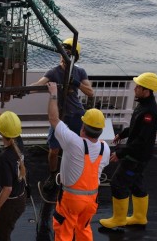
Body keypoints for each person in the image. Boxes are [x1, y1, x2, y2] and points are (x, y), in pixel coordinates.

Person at [47, 82, 110, 241]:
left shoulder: (73, 142)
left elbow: (54, 119)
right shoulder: (105, 148)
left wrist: (53, 93)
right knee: (83, 229)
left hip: (71, 200)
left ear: (83, 126)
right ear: (101, 130)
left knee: (64, 232)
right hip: (91, 200)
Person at [30, 38, 94, 191]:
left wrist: (76, 82)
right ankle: (53, 175)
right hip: (59, 118)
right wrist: (23, 90)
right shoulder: (53, 72)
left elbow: (90, 92)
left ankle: (77, 175)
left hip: (77, 115)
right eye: (62, 53)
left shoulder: (80, 72)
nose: (63, 56)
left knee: (78, 149)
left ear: (74, 57)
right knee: (53, 150)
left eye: (68, 54)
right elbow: (38, 85)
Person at [99, 72, 157, 229]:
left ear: (146, 90)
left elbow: (141, 140)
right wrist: (123, 134)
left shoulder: (149, 112)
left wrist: (120, 153)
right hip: (138, 155)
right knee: (136, 183)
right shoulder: (144, 104)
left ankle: (119, 219)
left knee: (118, 183)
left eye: (138, 86)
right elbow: (135, 128)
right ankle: (140, 217)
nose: (135, 89)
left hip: (136, 157)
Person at [0, 100, 27, 241]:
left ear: (0, 132)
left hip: (11, 204)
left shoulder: (4, 157)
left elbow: (7, 189)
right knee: (1, 229)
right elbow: (8, 125)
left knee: (2, 236)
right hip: (21, 198)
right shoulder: (18, 141)